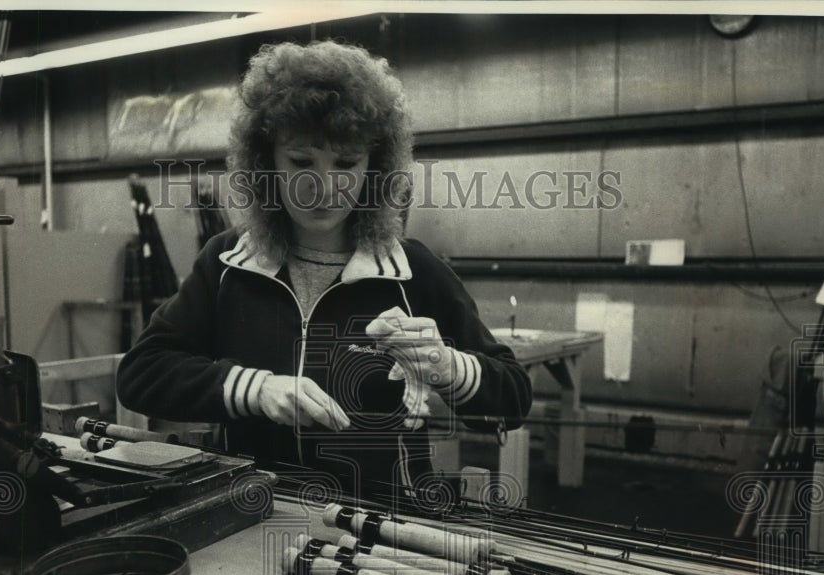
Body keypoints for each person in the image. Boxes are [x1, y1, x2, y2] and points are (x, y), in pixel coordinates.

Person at [117, 40, 532, 506]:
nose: (324, 187)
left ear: (376, 167)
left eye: (346, 163)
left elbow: (513, 397)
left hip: (383, 528)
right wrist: (254, 389)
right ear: (265, 163)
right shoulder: (227, 263)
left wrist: (447, 366)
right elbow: (140, 374)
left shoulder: (414, 272)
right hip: (252, 516)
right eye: (300, 162)